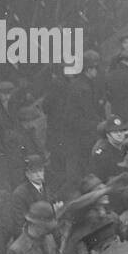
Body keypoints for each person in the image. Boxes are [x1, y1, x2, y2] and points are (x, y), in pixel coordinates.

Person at [43, 51, 102, 194]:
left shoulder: (77, 84)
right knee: (69, 171)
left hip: (69, 132)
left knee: (70, 169)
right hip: (67, 134)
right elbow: (49, 107)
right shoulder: (75, 86)